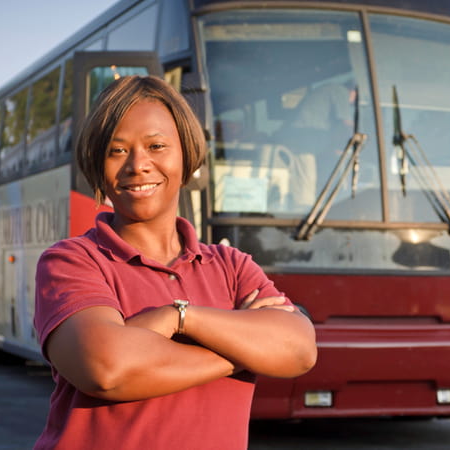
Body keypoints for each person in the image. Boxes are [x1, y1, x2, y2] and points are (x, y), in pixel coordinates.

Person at [33, 75, 317, 449]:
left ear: (186, 155)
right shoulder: (72, 262)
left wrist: (180, 317)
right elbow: (106, 370)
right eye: (117, 151)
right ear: (97, 164)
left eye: (156, 146)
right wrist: (245, 352)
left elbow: (299, 351)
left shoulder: (231, 265)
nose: (138, 165)